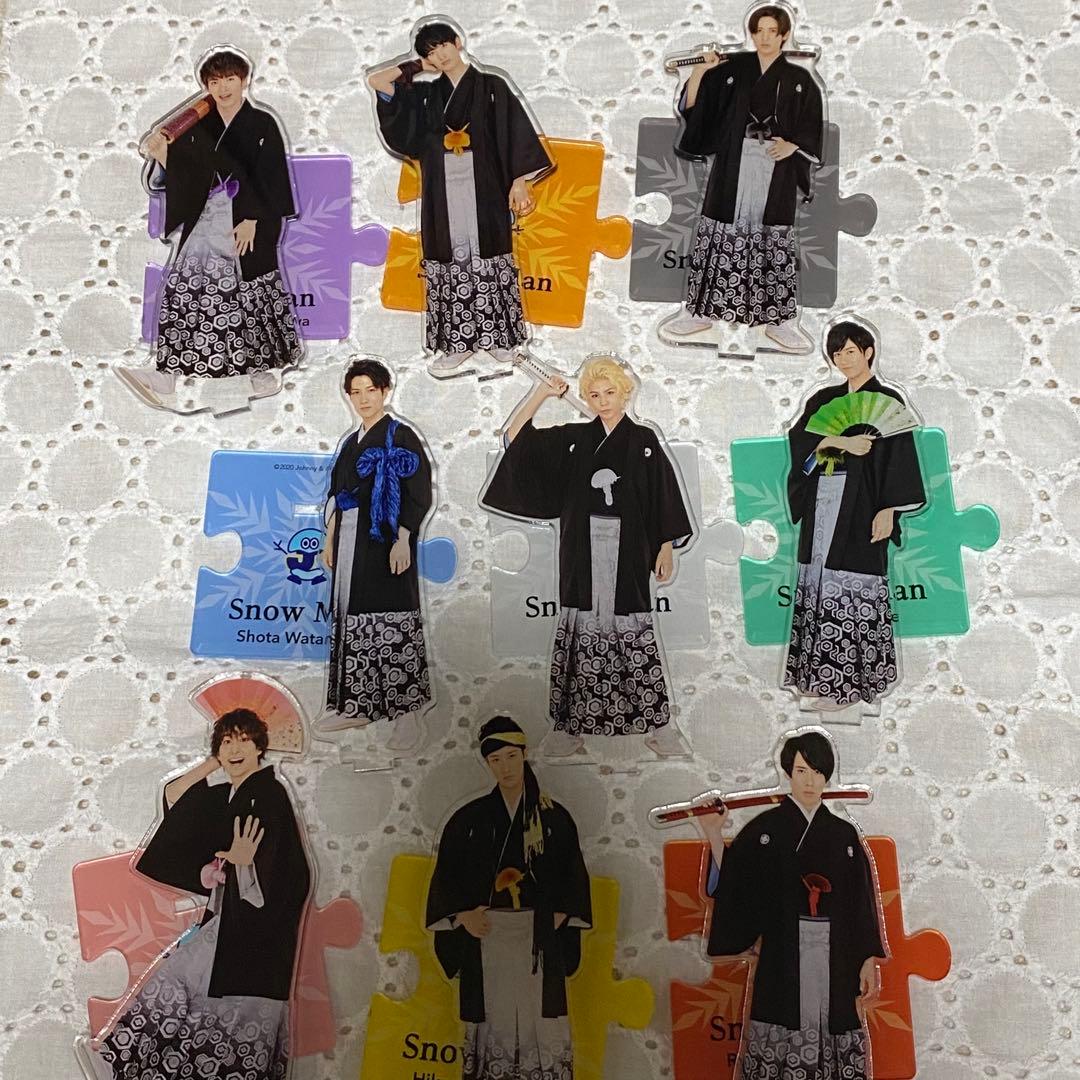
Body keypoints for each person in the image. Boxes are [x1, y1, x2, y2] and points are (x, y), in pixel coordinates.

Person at [481, 356, 693, 757]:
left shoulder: (643, 440)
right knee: (580, 631)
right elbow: (515, 440)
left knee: (632, 629)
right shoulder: (575, 439)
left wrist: (665, 544)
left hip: (629, 552)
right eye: (594, 395)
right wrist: (541, 393)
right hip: (582, 550)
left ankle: (658, 725)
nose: (602, 401)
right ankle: (568, 728)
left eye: (610, 392)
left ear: (625, 392)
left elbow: (660, 494)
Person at [86, 709, 311, 1080]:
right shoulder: (230, 795)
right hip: (226, 922)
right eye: (227, 741)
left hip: (255, 935)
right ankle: (121, 1060)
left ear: (260, 747)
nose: (235, 749)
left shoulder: (268, 794)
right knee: (180, 988)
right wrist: (211, 764)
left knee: (211, 1005)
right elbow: (175, 798)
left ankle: (122, 1062)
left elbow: (290, 872)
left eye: (244, 740)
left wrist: (246, 866)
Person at [117, 47, 301, 409]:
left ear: (244, 80)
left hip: (247, 221)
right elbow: (188, 177)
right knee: (182, 290)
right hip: (206, 219)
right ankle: (166, 374)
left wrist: (252, 218)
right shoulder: (199, 125)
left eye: (230, 79)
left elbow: (271, 176)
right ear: (206, 85)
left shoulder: (262, 123)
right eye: (215, 81)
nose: (223, 87)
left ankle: (262, 372)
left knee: (249, 295)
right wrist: (161, 152)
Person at [367, 21, 553, 376]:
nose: (440, 55)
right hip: (441, 191)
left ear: (457, 41)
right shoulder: (426, 95)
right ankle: (457, 344)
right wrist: (417, 66)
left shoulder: (492, 86)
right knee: (449, 258)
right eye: (430, 52)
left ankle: (498, 339)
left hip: (485, 187)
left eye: (442, 46)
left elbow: (512, 133)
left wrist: (519, 182)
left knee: (489, 255)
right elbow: (378, 81)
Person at [697, 730, 885, 1080]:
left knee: (834, 1023)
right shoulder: (765, 831)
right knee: (782, 1018)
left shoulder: (843, 835)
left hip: (836, 955)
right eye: (801, 771)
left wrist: (867, 958)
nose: (810, 782)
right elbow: (737, 884)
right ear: (788, 773)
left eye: (817, 772)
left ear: (827, 776)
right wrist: (712, 833)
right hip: (784, 951)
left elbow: (860, 900)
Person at [426, 716, 592, 1080]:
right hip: (487, 934)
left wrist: (562, 915)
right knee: (492, 1022)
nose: (505, 767)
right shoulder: (468, 820)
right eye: (495, 760)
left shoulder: (554, 818)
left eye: (511, 756)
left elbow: (573, 877)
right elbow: (447, 878)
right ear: (487, 764)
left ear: (524, 754)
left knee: (542, 1024)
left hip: (540, 936)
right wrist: (462, 916)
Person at [784, 320, 925, 709]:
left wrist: (889, 510)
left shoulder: (888, 400)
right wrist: (838, 440)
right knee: (818, 581)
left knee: (855, 585)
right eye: (837, 353)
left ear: (868, 352)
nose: (843, 359)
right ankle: (816, 678)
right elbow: (803, 445)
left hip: (864, 507)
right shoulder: (823, 400)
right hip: (822, 500)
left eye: (850, 351)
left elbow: (899, 462)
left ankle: (849, 686)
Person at [666, 5, 823, 352]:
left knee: (773, 239)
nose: (764, 38)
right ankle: (698, 311)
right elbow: (699, 110)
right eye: (758, 31)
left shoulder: (800, 80)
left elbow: (811, 125)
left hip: (776, 166)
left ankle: (779, 321)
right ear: (751, 34)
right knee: (720, 231)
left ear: (784, 35)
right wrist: (700, 71)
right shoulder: (732, 69)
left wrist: (793, 145)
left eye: (772, 31)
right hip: (734, 163)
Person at [318, 357, 434, 751]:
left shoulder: (401, 436)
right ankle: (357, 704)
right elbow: (337, 494)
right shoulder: (351, 443)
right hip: (350, 540)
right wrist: (330, 539)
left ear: (385, 391)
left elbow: (418, 490)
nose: (364, 398)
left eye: (371, 390)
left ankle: (406, 711)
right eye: (356, 392)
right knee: (351, 617)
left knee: (390, 616)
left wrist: (404, 538)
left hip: (385, 539)